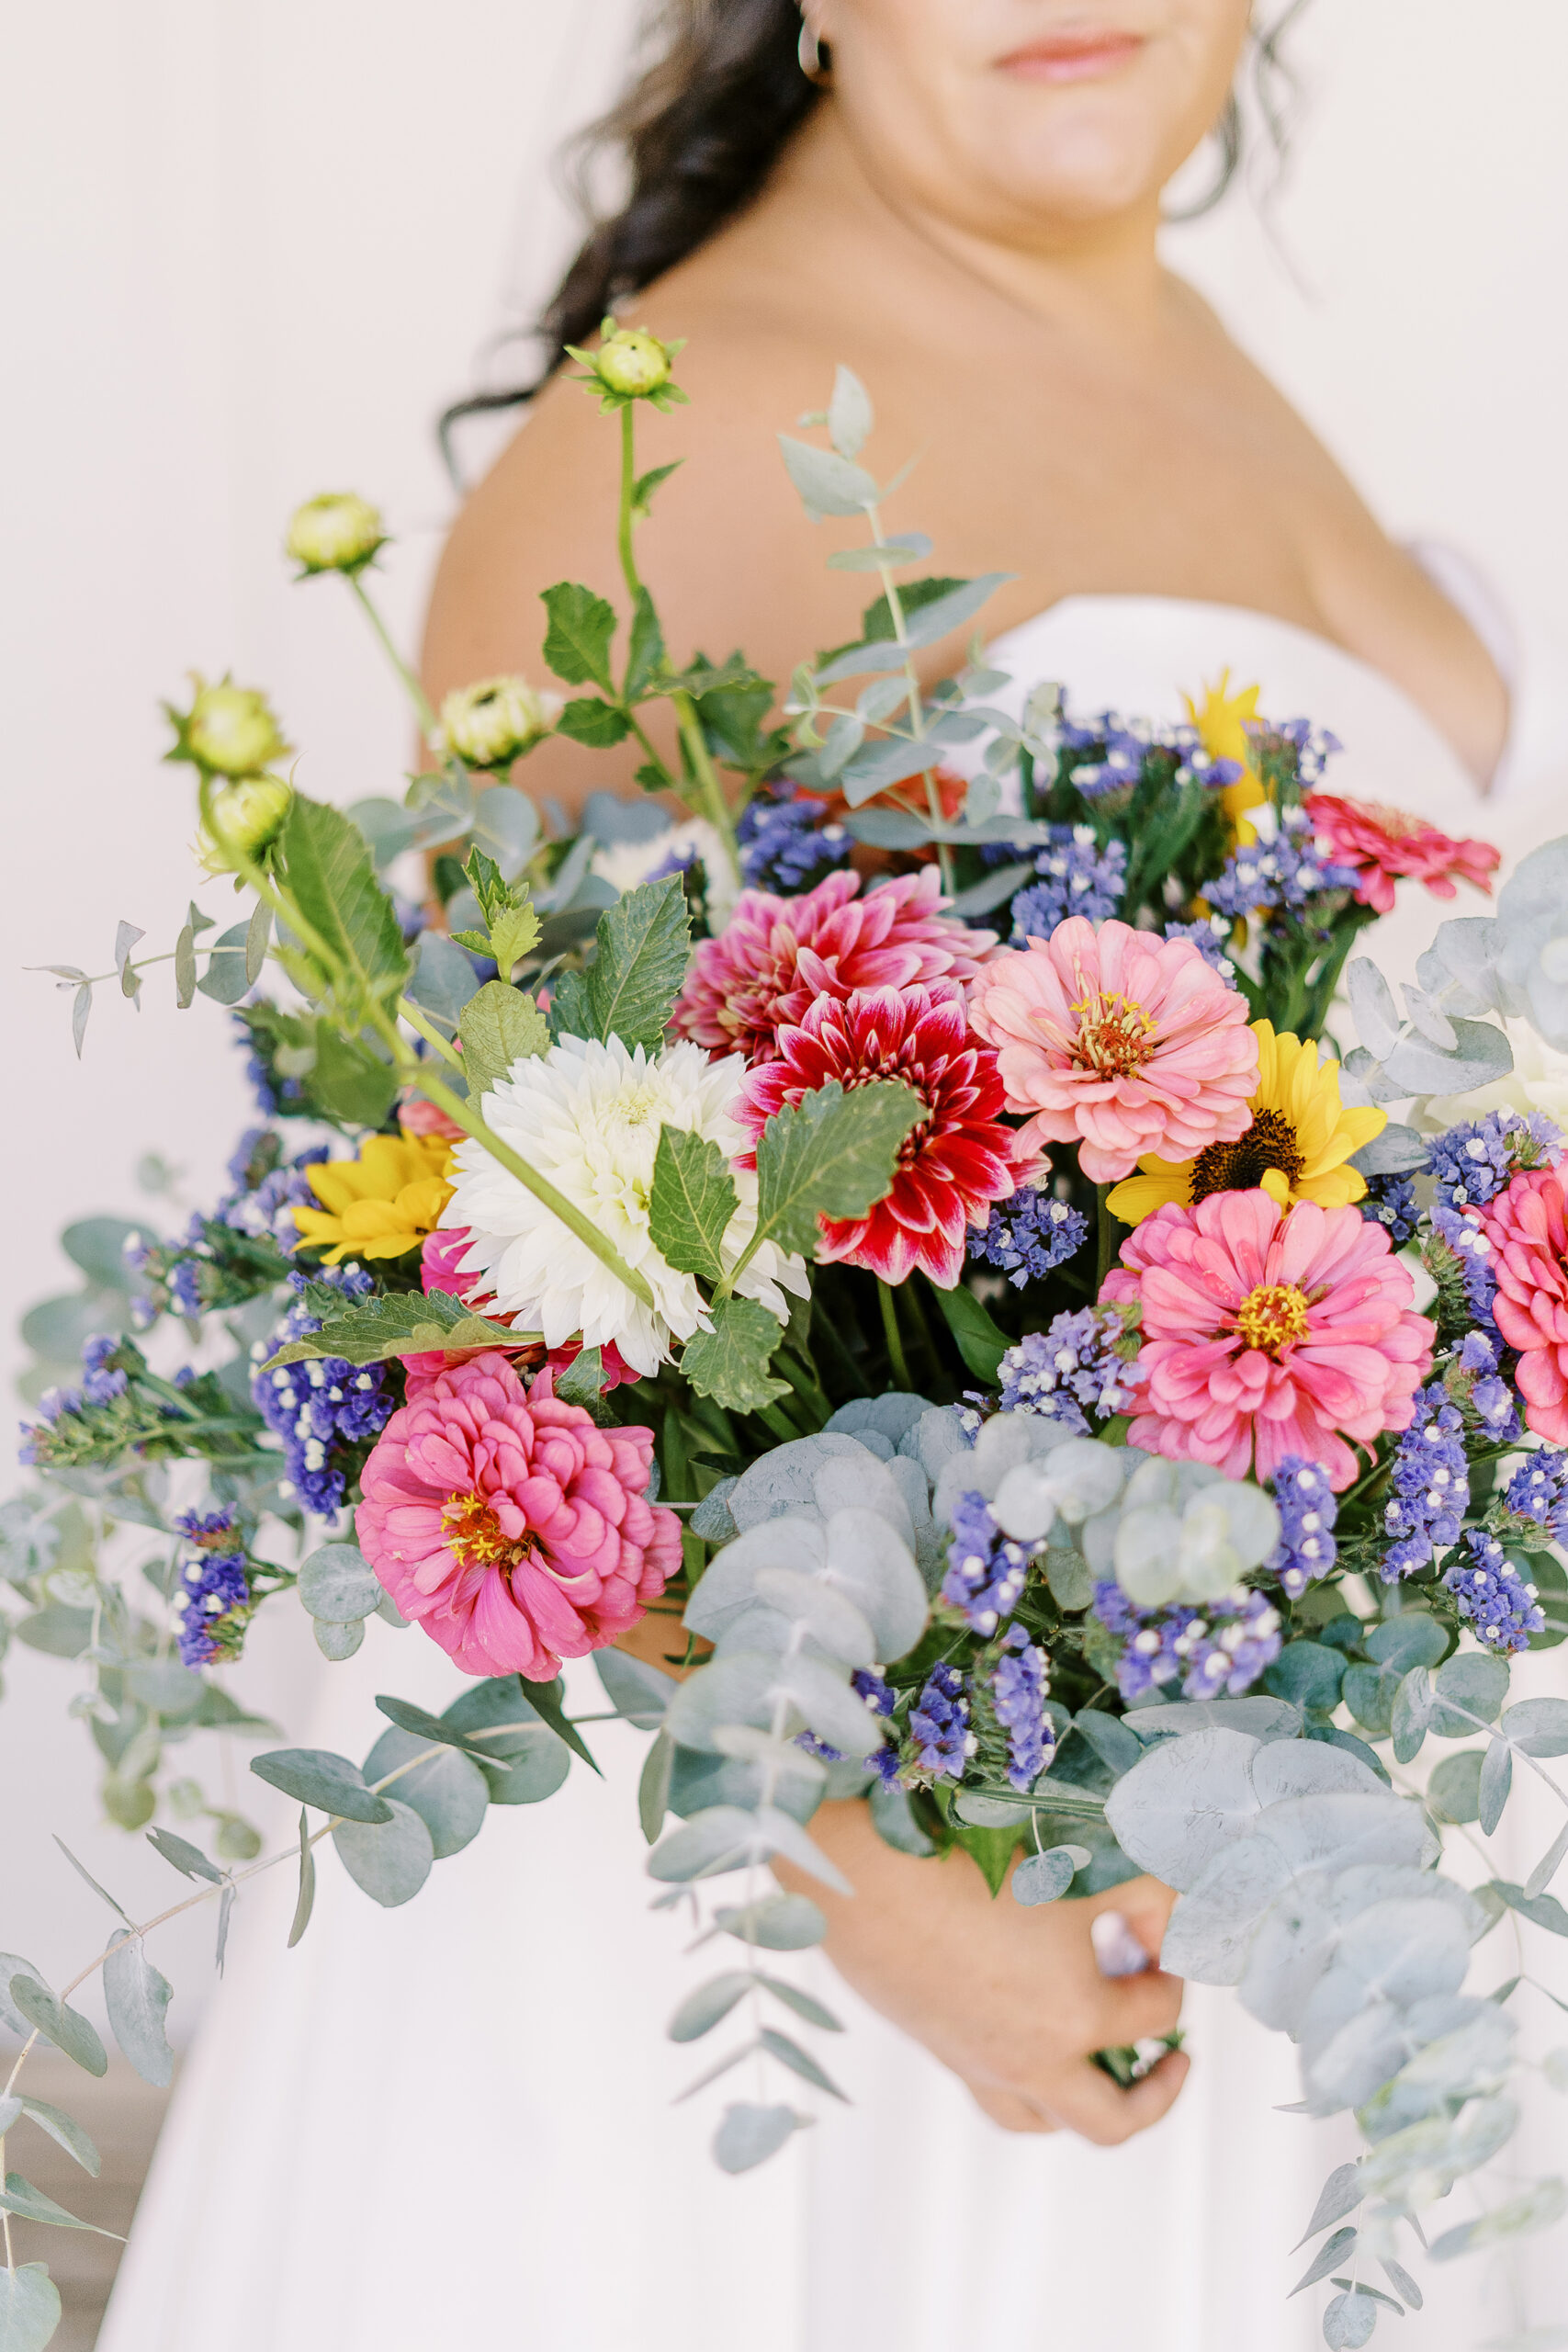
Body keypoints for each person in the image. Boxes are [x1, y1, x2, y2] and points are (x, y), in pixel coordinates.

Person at [103, 6, 1565, 2348]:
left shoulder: (1184, 340)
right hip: (838, 1945)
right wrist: (867, 1882)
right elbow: (487, 1266)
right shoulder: (670, 447)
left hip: (1239, 1855)